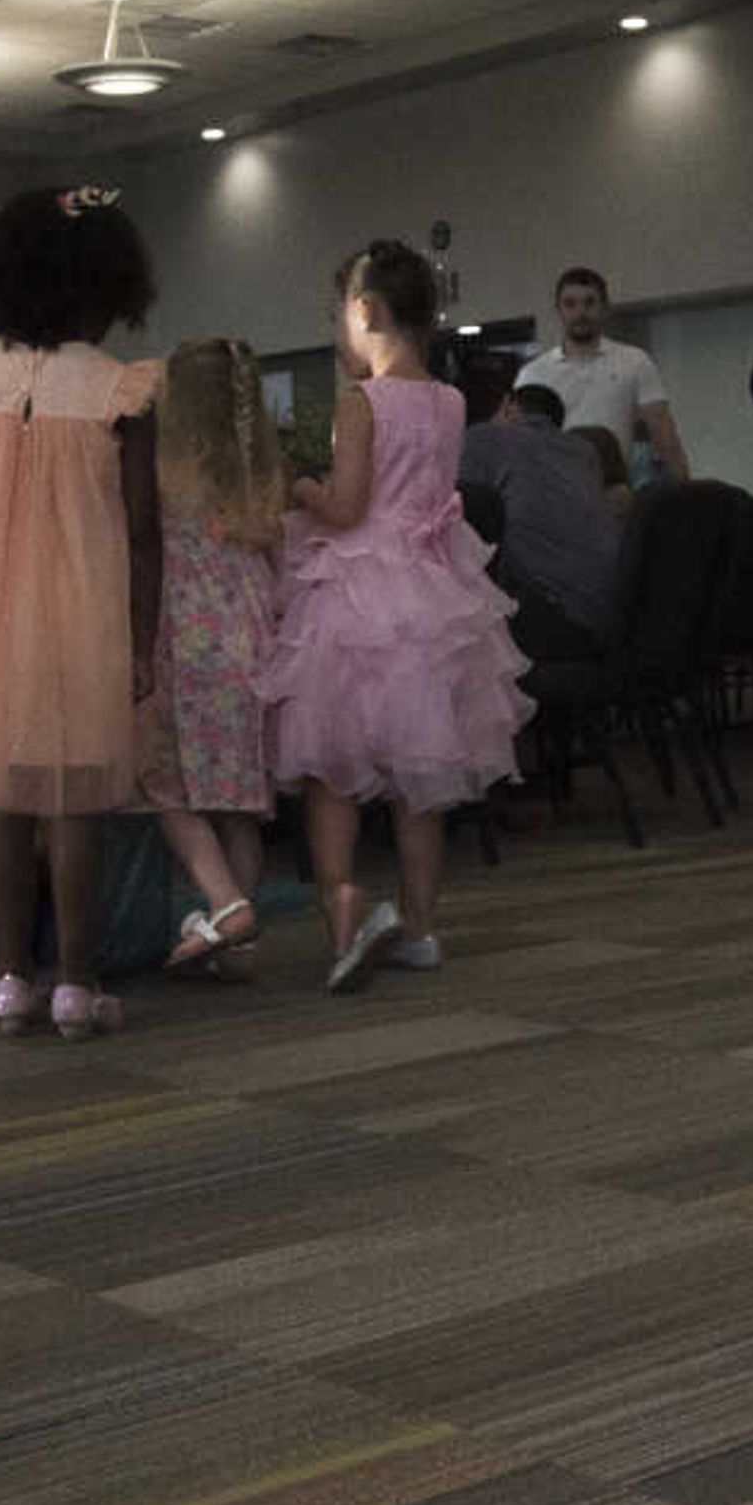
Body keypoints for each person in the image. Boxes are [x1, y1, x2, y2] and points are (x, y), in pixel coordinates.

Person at [263, 238, 535, 992]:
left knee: (331, 768)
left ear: (365, 311)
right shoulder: (449, 400)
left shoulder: (363, 403)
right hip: (433, 589)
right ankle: (420, 927)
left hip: (357, 593)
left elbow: (349, 509)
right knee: (423, 772)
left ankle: (343, 906)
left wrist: (304, 487)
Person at [0, 186, 162, 1041]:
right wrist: (142, 639)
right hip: (83, 612)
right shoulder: (119, 390)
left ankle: (10, 978)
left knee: (3, 798)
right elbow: (141, 531)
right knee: (75, 804)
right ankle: (77, 982)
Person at [140, 336, 289, 971]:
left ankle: (227, 905)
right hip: (251, 628)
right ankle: (238, 946)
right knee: (238, 800)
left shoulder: (163, 460)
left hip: (186, 630)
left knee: (163, 784)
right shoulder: (259, 464)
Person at [457, 382, 617, 654]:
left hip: (548, 613)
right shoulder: (584, 450)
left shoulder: (486, 437)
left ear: (508, 407)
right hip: (615, 609)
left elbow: (459, 509)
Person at [522, 267, 686, 485]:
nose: (580, 313)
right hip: (555, 489)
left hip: (615, 490)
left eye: (590, 303)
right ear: (558, 311)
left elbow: (664, 433)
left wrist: (686, 489)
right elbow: (520, 442)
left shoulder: (635, 361)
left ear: (605, 308)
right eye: (570, 304)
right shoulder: (533, 373)